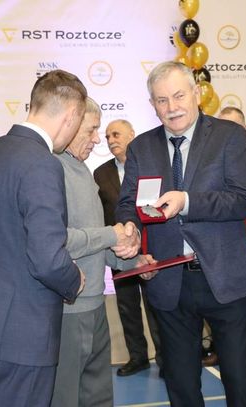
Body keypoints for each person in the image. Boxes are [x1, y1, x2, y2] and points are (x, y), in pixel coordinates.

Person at [116, 61, 246, 406]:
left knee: (241, 382)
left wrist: (187, 201)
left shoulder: (229, 136)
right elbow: (127, 204)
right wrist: (130, 229)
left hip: (227, 279)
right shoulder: (141, 148)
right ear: (152, 104)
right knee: (181, 386)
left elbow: (243, 199)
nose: (172, 107)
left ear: (197, 93)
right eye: (162, 100)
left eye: (179, 96)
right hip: (169, 283)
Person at [0, 70, 87, 407]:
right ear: (71, 114)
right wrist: (74, 279)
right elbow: (47, 259)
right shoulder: (42, 163)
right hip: (21, 335)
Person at [51, 98, 144, 407]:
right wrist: (112, 234)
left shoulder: (82, 170)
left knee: (98, 395)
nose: (96, 140)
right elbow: (55, 239)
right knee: (66, 397)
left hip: (94, 302)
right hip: (68, 309)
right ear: (70, 124)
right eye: (91, 131)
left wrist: (133, 261)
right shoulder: (51, 170)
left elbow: (94, 243)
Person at [203, 107, 246, 371]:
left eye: (234, 126)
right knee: (218, 294)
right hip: (218, 238)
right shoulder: (210, 154)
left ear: (245, 128)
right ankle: (220, 349)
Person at [94, 119, 162, 377]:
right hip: (119, 252)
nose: (111, 140)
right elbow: (101, 214)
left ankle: (165, 358)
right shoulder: (100, 173)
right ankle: (138, 357)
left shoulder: (150, 165)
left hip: (151, 247)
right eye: (108, 136)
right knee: (127, 306)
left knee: (156, 304)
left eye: (116, 134)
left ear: (132, 135)